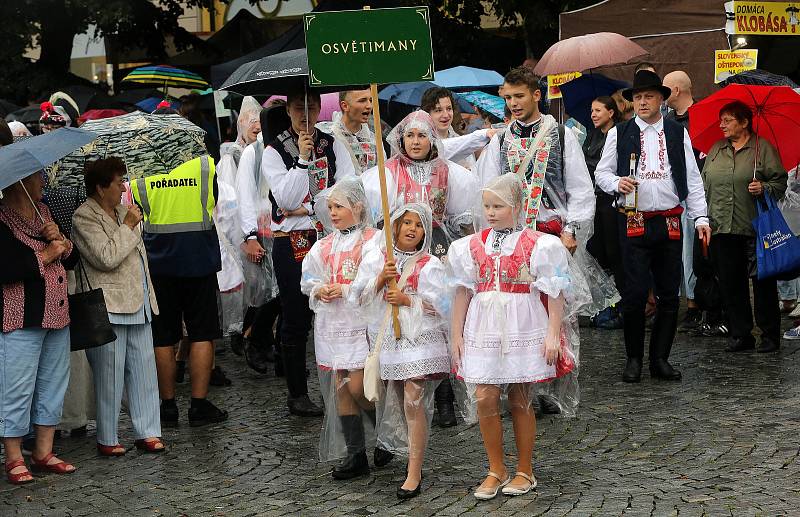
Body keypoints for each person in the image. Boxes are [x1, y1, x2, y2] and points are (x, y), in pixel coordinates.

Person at [448, 173, 587, 500]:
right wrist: (456, 333)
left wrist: (554, 332)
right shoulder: (469, 246)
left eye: (499, 205)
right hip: (483, 325)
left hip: (522, 322)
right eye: (487, 206)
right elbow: (461, 292)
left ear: (518, 206)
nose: (491, 212)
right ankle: (496, 467)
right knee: (484, 395)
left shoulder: (538, 244)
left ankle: (525, 469)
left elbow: (554, 291)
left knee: (519, 396)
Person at [594, 70, 711, 383]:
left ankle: (660, 358)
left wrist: (700, 217)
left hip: (670, 220)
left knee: (669, 295)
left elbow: (691, 177)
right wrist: (616, 182)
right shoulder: (618, 132)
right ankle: (633, 359)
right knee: (633, 295)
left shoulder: (675, 132)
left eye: (648, 96)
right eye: (637, 97)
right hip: (633, 220)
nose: (642, 102)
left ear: (662, 98)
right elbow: (601, 174)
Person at [361, 110, 477, 427]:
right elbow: (373, 212)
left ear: (432, 139)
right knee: (401, 313)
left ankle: (444, 398)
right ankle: (400, 399)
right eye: (410, 135)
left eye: (422, 135)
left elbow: (462, 214)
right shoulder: (385, 174)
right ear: (401, 138)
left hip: (436, 246)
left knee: (439, 317)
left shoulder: (449, 172)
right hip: (399, 247)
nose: (415, 141)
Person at [262, 90, 356, 416]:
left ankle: (343, 384)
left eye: (311, 107)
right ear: (288, 110)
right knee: (296, 313)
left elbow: (346, 188)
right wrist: (302, 162)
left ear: (320, 109)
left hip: (329, 236)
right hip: (294, 242)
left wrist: (316, 205)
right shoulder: (274, 150)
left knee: (336, 306)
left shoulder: (332, 144)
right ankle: (297, 393)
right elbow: (286, 199)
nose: (306, 114)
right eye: (299, 108)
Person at [352, 202, 451, 499]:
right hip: (389, 338)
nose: (412, 229)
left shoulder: (430, 264)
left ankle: (414, 472)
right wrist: (381, 279)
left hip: (418, 338)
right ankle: (411, 453)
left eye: (419, 225)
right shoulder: (376, 257)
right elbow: (358, 296)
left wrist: (409, 301)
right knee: (398, 397)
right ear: (394, 225)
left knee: (413, 399)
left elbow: (445, 307)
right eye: (407, 222)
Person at [71, 158, 164, 456]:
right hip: (108, 304)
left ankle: (148, 432)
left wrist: (128, 222)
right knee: (109, 374)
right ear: (100, 188)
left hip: (139, 300)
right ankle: (108, 436)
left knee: (144, 370)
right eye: (118, 181)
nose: (124, 186)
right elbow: (106, 257)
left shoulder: (125, 212)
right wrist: (126, 227)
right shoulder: (83, 217)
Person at [300, 177, 392, 479]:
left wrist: (343, 288)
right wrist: (318, 290)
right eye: (330, 207)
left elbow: (371, 278)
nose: (333, 212)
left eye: (339, 206)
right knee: (342, 386)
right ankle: (356, 453)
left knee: (358, 383)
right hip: (332, 322)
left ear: (358, 206)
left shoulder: (373, 240)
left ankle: (385, 431)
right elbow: (308, 278)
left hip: (359, 321)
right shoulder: (324, 244)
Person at [130, 155, 229, 427]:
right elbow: (214, 202)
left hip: (159, 261)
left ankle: (168, 407)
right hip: (198, 259)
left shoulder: (140, 168)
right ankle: (198, 405)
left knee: (162, 337)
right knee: (202, 333)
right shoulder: (204, 165)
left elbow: (138, 211)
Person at [1, 171, 77, 484]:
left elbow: (71, 260)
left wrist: (61, 239)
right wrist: (46, 253)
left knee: (52, 384)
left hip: (57, 314)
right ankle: (14, 457)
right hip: (22, 317)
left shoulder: (45, 212)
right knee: (16, 387)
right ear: (18, 182)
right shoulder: (3, 218)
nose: (43, 182)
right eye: (37, 177)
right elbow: (6, 267)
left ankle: (43, 452)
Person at [475, 66, 594, 254]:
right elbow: (489, 190)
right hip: (511, 237)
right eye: (508, 98)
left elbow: (580, 189)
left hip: (555, 235)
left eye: (519, 96)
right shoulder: (500, 140)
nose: (513, 103)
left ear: (536, 95)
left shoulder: (562, 135)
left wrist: (571, 229)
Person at [702, 101, 786, 353]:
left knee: (763, 283)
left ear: (744, 122)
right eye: (721, 120)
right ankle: (741, 334)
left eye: (727, 120)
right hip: (722, 227)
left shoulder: (762, 149)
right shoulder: (716, 149)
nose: (722, 125)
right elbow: (704, 181)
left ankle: (770, 334)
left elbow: (779, 182)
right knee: (730, 283)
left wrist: (764, 188)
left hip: (754, 227)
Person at [583, 96, 624, 329]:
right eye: (592, 111)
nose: (593, 115)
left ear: (611, 112)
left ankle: (618, 306)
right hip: (593, 200)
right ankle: (601, 306)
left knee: (613, 251)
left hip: (610, 200)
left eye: (598, 110)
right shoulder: (592, 135)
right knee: (596, 251)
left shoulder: (617, 134)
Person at [420, 87, 494, 170]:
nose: (446, 115)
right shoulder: (421, 142)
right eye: (438, 110)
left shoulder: (458, 138)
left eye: (449, 109)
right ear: (427, 114)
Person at [329, 89, 382, 175]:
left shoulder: (375, 140)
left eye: (371, 100)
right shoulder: (330, 139)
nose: (369, 106)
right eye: (362, 101)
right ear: (345, 106)